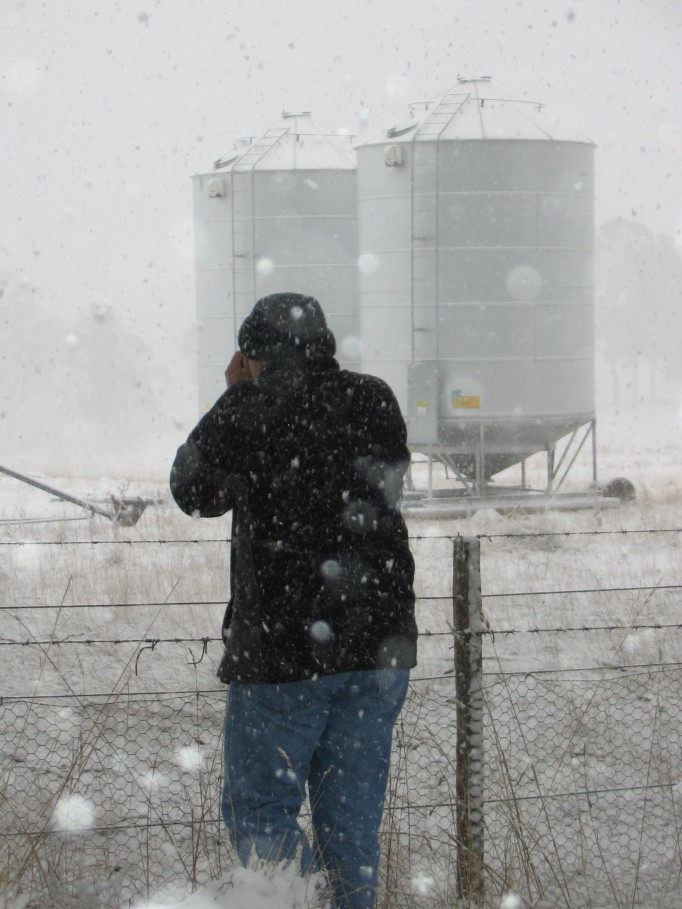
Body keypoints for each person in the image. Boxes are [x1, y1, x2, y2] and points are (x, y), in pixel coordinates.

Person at [170, 292, 417, 909]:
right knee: (352, 825)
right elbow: (381, 478)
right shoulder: (375, 397)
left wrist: (237, 394)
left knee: (262, 813)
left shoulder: (252, 406)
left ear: (252, 354)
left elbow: (192, 490)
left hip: (284, 651)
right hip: (378, 646)